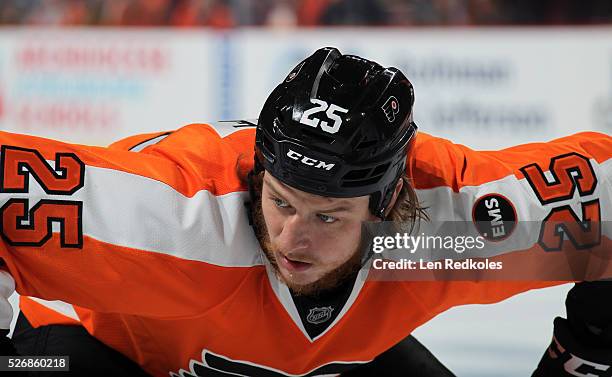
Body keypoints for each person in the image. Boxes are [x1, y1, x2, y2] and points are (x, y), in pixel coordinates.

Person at [0, 47, 609, 377]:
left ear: (390, 204)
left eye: (328, 217)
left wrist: (592, 346)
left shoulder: (447, 227)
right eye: (281, 201)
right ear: (257, 174)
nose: (292, 238)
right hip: (106, 354)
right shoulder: (174, 217)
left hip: (327, 363)